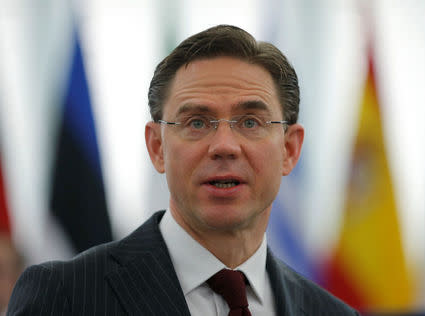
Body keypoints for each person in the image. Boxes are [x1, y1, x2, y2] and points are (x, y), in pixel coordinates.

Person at [7, 25, 359, 315]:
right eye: (197, 122)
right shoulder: (63, 297)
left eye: (251, 121)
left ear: (289, 149)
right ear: (157, 147)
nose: (224, 145)